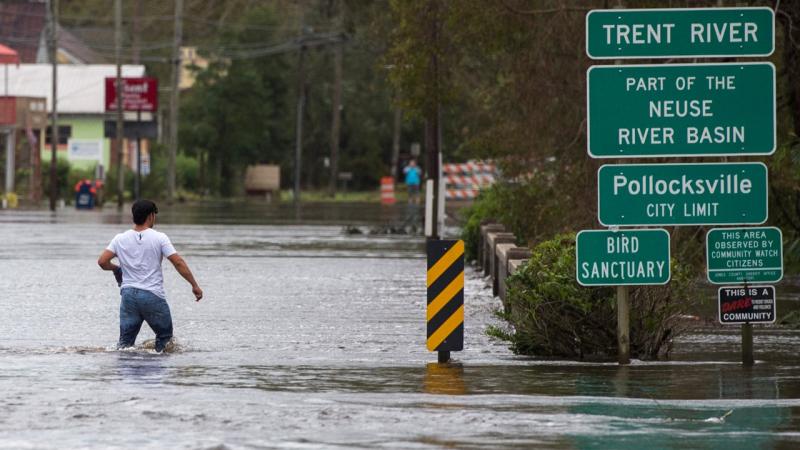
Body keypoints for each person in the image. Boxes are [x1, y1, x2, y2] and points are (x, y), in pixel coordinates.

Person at [97, 200, 202, 352]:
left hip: (128, 297)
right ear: (151, 216)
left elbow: (102, 262)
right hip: (152, 295)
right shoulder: (159, 238)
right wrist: (194, 285)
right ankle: (156, 371)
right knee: (165, 341)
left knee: (125, 345)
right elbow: (178, 262)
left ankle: (125, 373)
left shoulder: (119, 238)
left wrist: (116, 269)